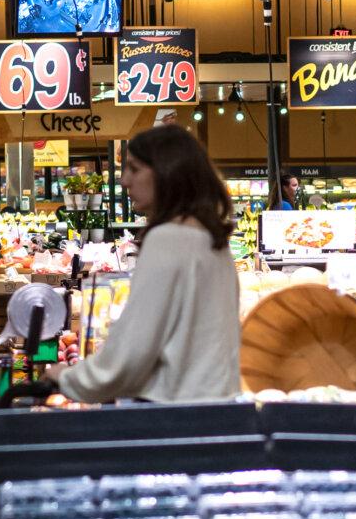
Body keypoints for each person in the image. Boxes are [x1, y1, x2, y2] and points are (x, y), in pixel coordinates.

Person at [42, 125, 239, 403]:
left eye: (134, 169)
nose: (124, 181)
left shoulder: (168, 239)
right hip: (216, 413)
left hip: (173, 420)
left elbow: (132, 354)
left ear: (167, 172)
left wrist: (68, 378)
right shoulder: (211, 240)